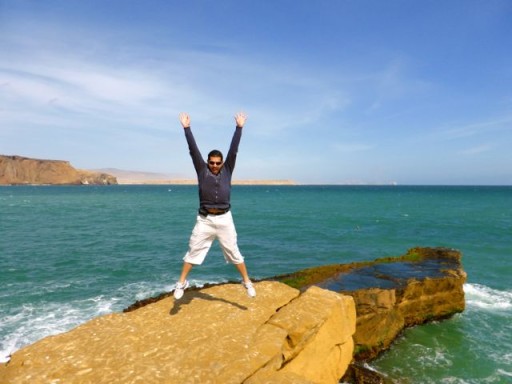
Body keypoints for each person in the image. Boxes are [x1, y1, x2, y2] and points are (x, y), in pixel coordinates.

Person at [173, 112, 256, 300]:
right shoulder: (202, 170)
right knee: (193, 250)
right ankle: (181, 283)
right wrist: (186, 129)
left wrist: (239, 128)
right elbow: (193, 150)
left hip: (225, 218)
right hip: (205, 219)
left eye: (218, 163)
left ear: (223, 163)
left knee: (234, 251)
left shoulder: (227, 170)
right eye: (212, 163)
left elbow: (233, 150)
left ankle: (246, 281)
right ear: (208, 162)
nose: (215, 165)